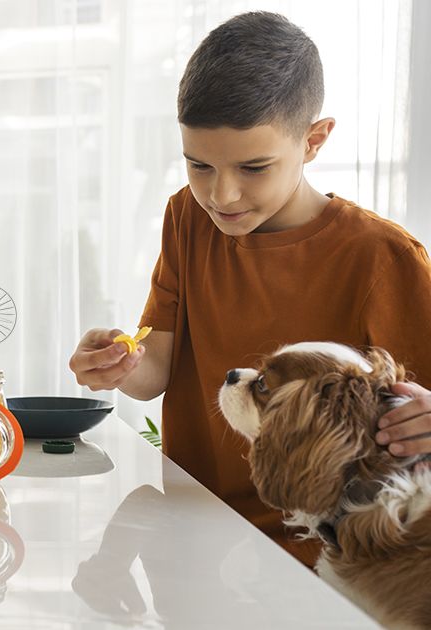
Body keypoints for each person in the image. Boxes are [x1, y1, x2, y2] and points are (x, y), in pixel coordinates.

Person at [67, 12, 431, 566]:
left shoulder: (383, 257)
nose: (222, 194)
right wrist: (121, 364)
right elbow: (154, 373)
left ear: (314, 141)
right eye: (199, 164)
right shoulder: (186, 218)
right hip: (192, 536)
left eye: (254, 167)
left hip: (328, 566)